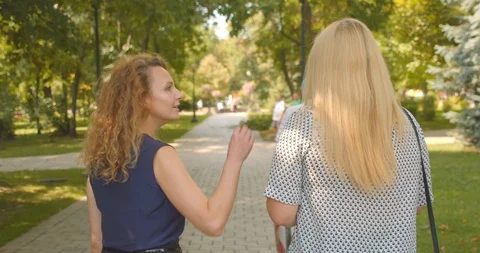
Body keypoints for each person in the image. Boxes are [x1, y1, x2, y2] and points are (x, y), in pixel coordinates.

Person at [264, 18, 433, 252]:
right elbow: (416, 206)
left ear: (321, 66)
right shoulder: (408, 123)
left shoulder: (301, 122)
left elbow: (282, 213)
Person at [82, 54, 254, 253]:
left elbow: (96, 242)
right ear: (142, 98)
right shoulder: (159, 156)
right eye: (168, 88)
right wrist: (234, 159)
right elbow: (213, 222)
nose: (179, 94)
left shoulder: (99, 164)